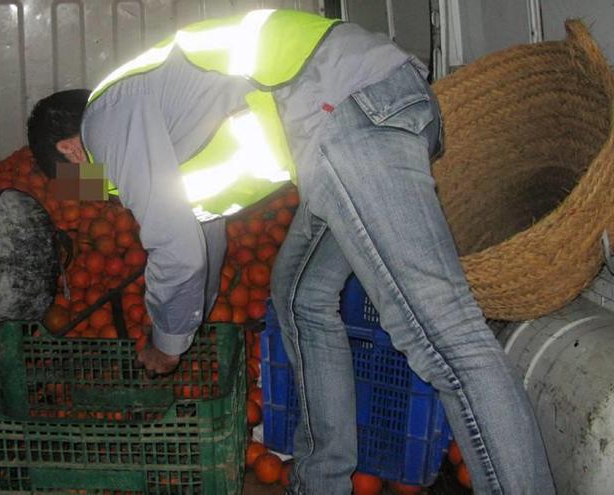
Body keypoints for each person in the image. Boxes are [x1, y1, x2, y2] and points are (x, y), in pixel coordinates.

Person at [28, 10, 554, 494]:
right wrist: (187, 320)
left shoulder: (105, 117)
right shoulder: (158, 119)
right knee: (299, 295)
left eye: (78, 183)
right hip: (362, 114)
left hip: (347, 114)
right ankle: (321, 481)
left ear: (70, 152)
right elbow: (199, 236)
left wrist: (167, 343)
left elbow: (175, 245)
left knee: (446, 335)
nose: (93, 193)